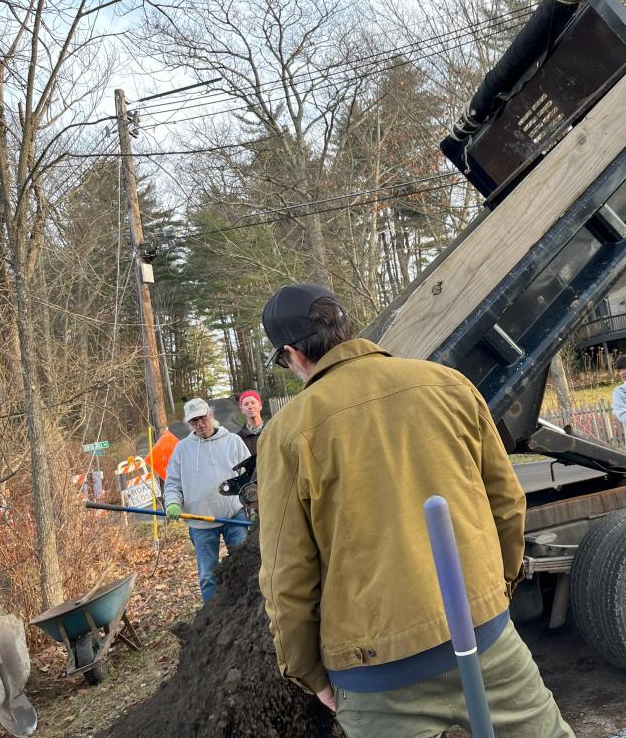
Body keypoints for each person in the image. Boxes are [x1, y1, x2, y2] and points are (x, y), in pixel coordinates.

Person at [256, 284, 574, 738]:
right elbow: (506, 502)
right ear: (346, 328)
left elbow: (287, 575)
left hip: (374, 674)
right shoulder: (448, 385)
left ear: (292, 354)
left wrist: (307, 671)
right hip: (484, 639)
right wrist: (491, 595)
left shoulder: (286, 433)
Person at [164, 398, 251, 601]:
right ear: (189, 424)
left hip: (233, 515)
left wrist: (252, 505)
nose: (200, 424)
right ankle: (212, 618)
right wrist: (173, 502)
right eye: (194, 421)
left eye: (203, 418)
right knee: (207, 575)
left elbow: (249, 476)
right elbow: (172, 484)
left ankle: (248, 608)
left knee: (245, 564)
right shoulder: (182, 450)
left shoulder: (232, 442)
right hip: (200, 521)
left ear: (210, 415)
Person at [236, 389, 265, 455]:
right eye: (246, 404)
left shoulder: (272, 431)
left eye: (253, 403)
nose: (250, 406)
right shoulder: (238, 439)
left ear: (260, 406)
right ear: (242, 410)